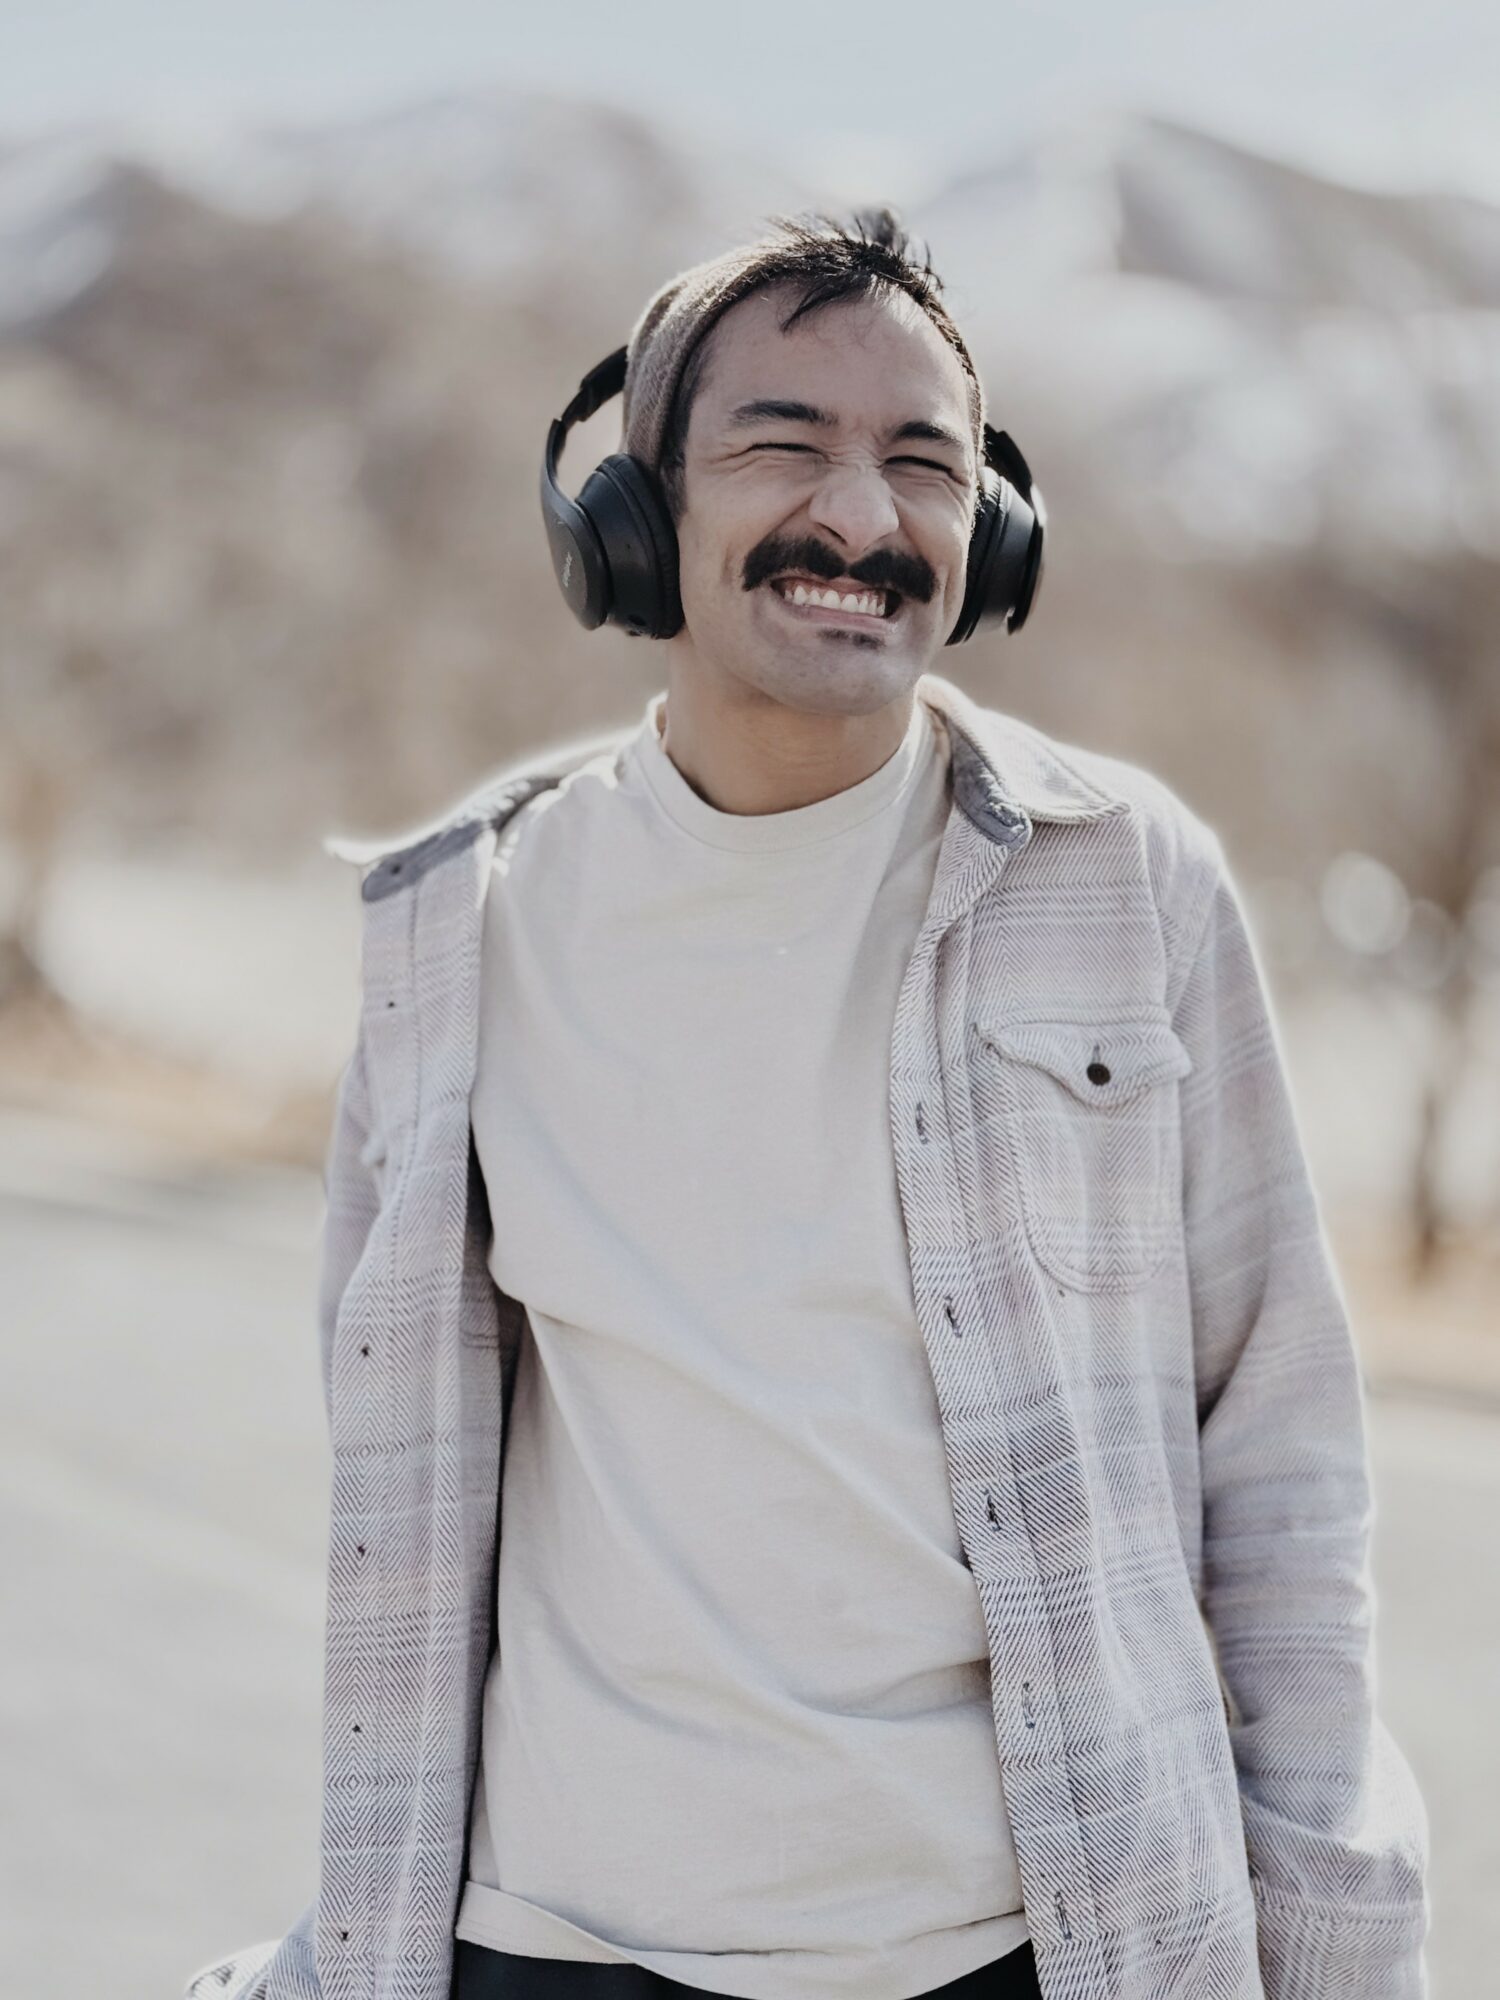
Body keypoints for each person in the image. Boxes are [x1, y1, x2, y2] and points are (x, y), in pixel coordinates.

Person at [183, 211, 1429, 2000]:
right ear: (627, 522)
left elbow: (1284, 1459)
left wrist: (1334, 1939)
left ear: (988, 539)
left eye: (922, 462)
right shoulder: (459, 929)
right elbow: (403, 1516)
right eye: (784, 443)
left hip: (1029, 1953)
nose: (861, 515)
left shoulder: (1129, 883)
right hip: (555, 1954)